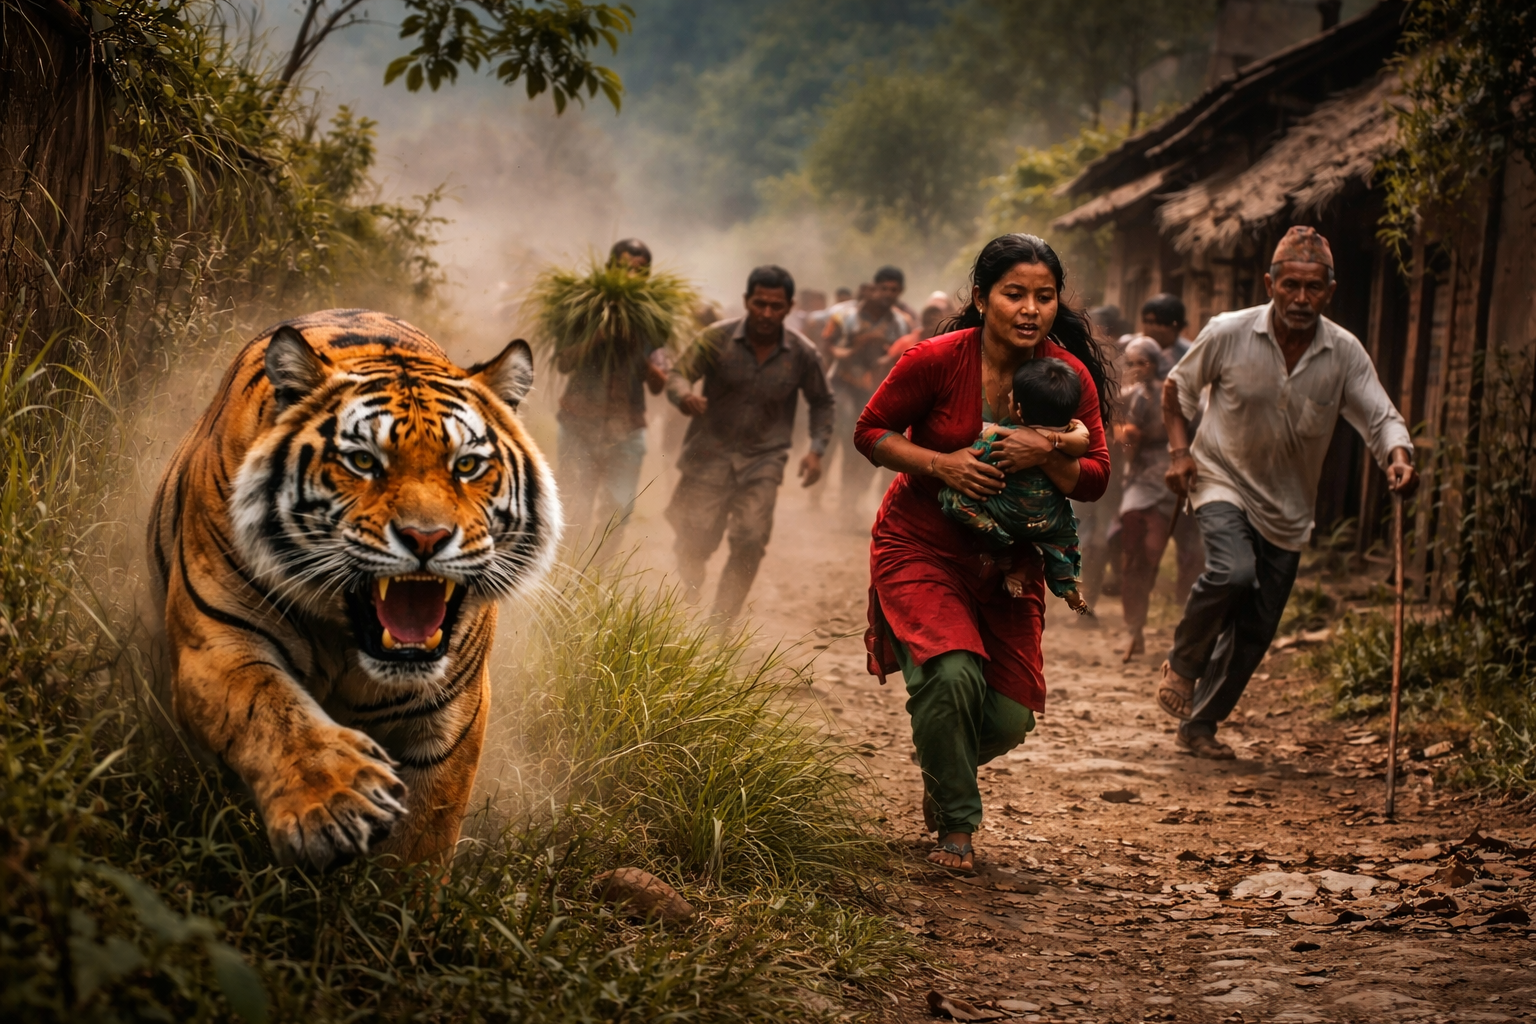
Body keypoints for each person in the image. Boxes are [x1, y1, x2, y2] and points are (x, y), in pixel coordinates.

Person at [856, 234, 1112, 872]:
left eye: (1044, 297)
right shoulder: (936, 359)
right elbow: (870, 432)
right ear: (981, 297)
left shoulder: (1066, 376)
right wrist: (943, 464)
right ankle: (956, 832)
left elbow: (1098, 476)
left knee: (1008, 715)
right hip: (923, 544)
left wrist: (1045, 450)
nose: (1030, 309)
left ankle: (944, 767)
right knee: (951, 673)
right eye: (1014, 294)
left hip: (1010, 569)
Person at [1159, 226, 1417, 759]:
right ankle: (1184, 664)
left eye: (1313, 288)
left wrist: (1398, 455)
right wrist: (1180, 453)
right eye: (1291, 285)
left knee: (1256, 630)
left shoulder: (1343, 352)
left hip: (1289, 507)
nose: (1301, 298)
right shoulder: (1228, 331)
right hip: (1221, 477)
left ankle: (1200, 725)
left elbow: (1379, 415)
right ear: (1270, 283)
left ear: (1330, 291)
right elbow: (1175, 389)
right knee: (1233, 570)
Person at [665, 265, 834, 620]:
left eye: (776, 306)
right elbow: (678, 374)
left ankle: (720, 625)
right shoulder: (716, 338)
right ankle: (692, 573)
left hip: (763, 459)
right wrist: (683, 396)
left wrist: (816, 450)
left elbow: (822, 402)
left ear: (789, 307)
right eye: (760, 304)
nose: (767, 313)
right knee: (694, 537)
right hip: (708, 453)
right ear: (747, 301)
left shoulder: (803, 354)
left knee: (750, 539)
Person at [937, 357, 1093, 611]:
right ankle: (1068, 587)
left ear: (1018, 410)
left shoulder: (1001, 436)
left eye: (1010, 397)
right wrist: (1051, 440)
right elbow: (1084, 440)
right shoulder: (1069, 433)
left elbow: (973, 461)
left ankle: (1000, 547)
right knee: (1064, 533)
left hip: (1006, 517)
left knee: (951, 497)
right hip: (1048, 521)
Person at [552, 238, 669, 548]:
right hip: (578, 423)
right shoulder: (584, 309)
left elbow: (659, 383)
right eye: (622, 268)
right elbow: (563, 362)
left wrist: (635, 351)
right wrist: (598, 337)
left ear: (646, 276)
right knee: (574, 507)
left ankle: (598, 574)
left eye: (638, 271)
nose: (629, 276)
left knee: (619, 509)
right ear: (607, 270)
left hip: (627, 429)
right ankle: (570, 576)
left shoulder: (651, 319)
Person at [823, 266, 913, 530]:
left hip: (877, 389)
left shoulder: (902, 322)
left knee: (871, 447)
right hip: (843, 383)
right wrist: (854, 348)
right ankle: (838, 498)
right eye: (883, 288)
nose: (888, 294)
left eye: (893, 290)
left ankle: (852, 502)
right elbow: (827, 347)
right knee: (847, 429)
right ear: (873, 289)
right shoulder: (843, 316)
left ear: (900, 292)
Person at [1134, 293, 1206, 610]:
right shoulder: (1137, 351)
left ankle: (1183, 603)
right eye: (1146, 321)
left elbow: (1196, 404)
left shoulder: (1191, 355)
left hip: (1184, 448)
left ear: (1174, 326)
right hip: (1145, 455)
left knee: (1189, 535)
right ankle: (1137, 600)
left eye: (1157, 322)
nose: (1150, 328)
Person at [1114, 336, 1179, 662]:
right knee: (1133, 552)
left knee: (1152, 553)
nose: (1136, 369)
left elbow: (1186, 429)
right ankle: (1133, 628)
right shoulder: (1126, 397)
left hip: (1168, 478)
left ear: (1152, 363)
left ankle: (1150, 619)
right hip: (1138, 480)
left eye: (1141, 362)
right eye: (1131, 363)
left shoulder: (1173, 393)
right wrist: (1126, 434)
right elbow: (1120, 436)